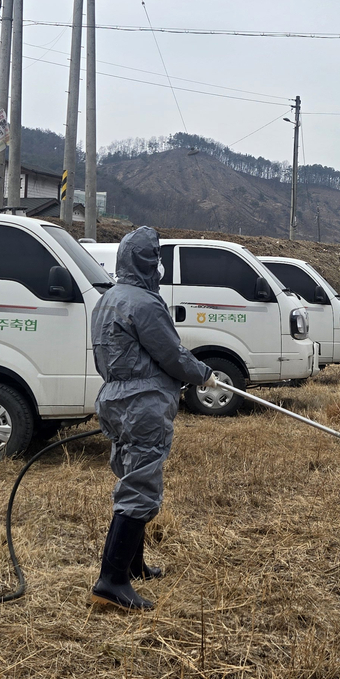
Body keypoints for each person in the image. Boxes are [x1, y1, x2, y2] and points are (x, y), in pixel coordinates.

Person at [88, 226, 215, 612]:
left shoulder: (109, 298)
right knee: (140, 487)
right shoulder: (144, 302)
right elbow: (172, 354)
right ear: (147, 262)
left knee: (133, 477)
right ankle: (112, 582)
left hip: (115, 398)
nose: (158, 267)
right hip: (142, 403)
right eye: (156, 259)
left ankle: (133, 564)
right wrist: (203, 373)